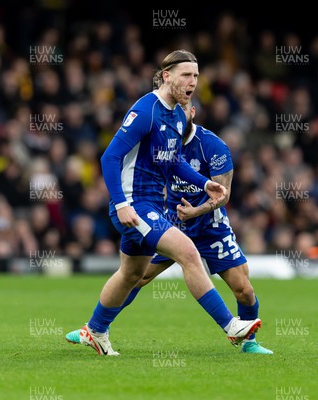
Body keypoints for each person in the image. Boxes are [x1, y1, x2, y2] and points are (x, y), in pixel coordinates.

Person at [66, 50, 261, 356]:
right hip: (136, 204)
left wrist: (205, 182)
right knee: (188, 252)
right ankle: (230, 326)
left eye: (196, 76)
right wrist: (120, 203)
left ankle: (95, 331)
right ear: (166, 75)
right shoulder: (147, 110)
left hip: (152, 205)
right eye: (186, 75)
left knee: (131, 275)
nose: (192, 82)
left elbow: (173, 163)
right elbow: (110, 157)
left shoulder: (174, 115)